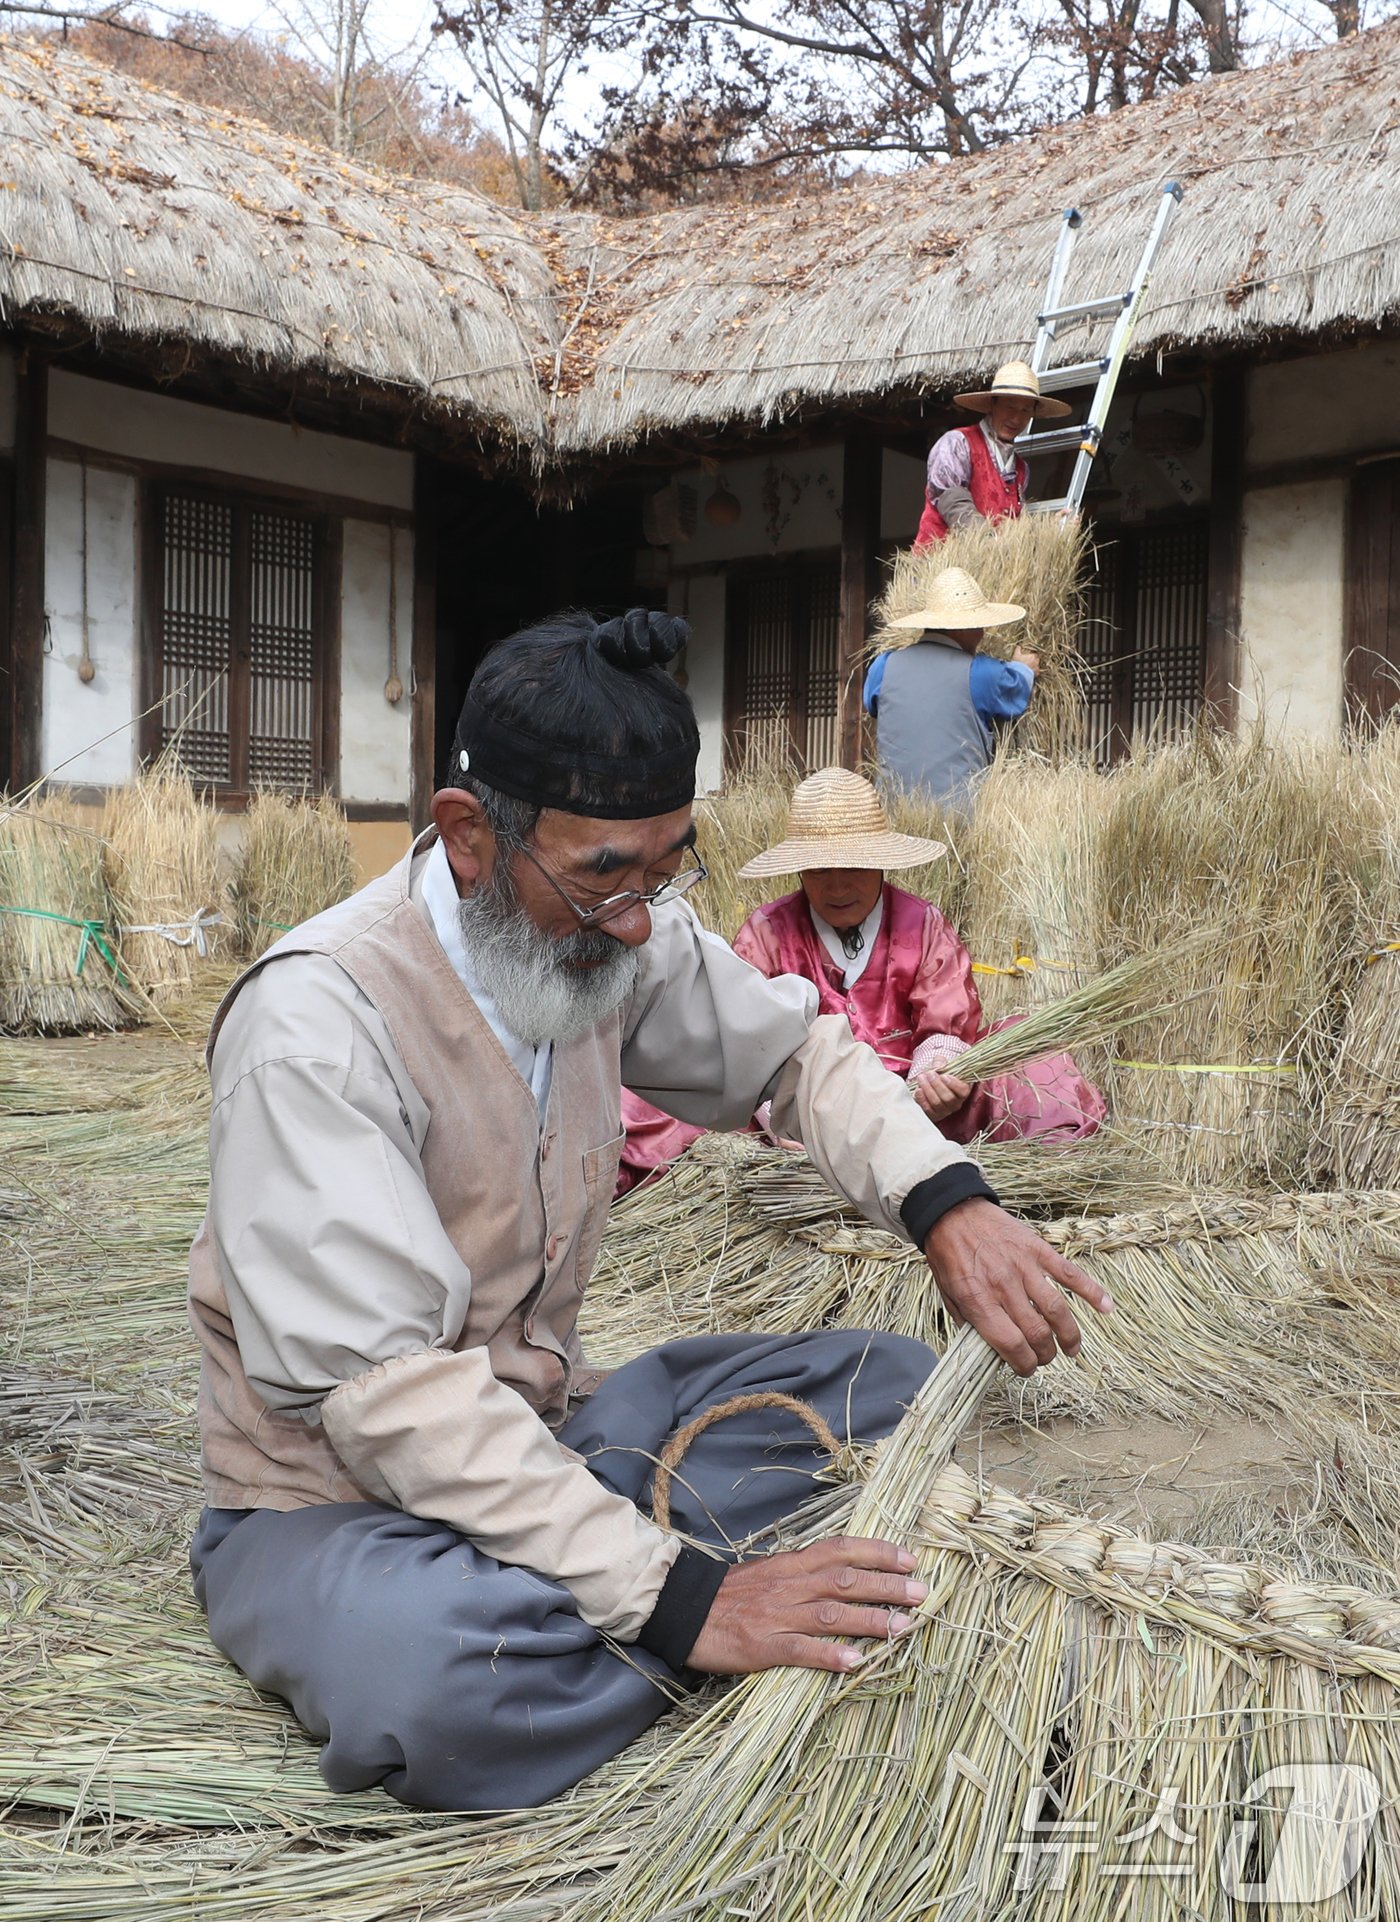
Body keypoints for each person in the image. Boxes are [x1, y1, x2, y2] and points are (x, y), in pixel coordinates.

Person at [186, 607, 1110, 1815]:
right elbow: (387, 1396)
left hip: (548, 1438)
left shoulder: (612, 936)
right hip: (338, 1509)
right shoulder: (315, 1026)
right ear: (468, 835)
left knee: (884, 1381)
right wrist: (694, 1601)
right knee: (435, 1688)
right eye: (602, 878)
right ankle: (673, 1612)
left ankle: (610, 1609)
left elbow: (795, 1056)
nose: (636, 920)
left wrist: (946, 1203)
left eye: (666, 867)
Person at [732, 767, 1105, 1145]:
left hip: (921, 1116)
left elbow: (947, 1019)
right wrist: (779, 1118)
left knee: (1026, 1049)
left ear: (880, 862)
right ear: (800, 871)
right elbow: (745, 1043)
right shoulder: (767, 935)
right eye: (820, 869)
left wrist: (936, 1079)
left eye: (854, 866)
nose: (838, 886)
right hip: (805, 1122)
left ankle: (1046, 1172)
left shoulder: (921, 925)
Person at [865, 567, 1040, 812]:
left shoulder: (883, 667)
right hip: (957, 823)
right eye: (979, 626)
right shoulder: (979, 673)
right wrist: (1025, 667)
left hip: (891, 817)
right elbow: (1016, 692)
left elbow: (872, 705)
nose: (982, 633)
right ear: (960, 628)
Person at [915, 360, 1070, 548]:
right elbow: (953, 504)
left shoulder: (1020, 469)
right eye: (1010, 407)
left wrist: (1049, 529)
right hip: (944, 568)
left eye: (1025, 410)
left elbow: (1013, 526)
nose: (1016, 418)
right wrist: (991, 543)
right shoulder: (957, 443)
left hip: (989, 569)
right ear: (992, 404)